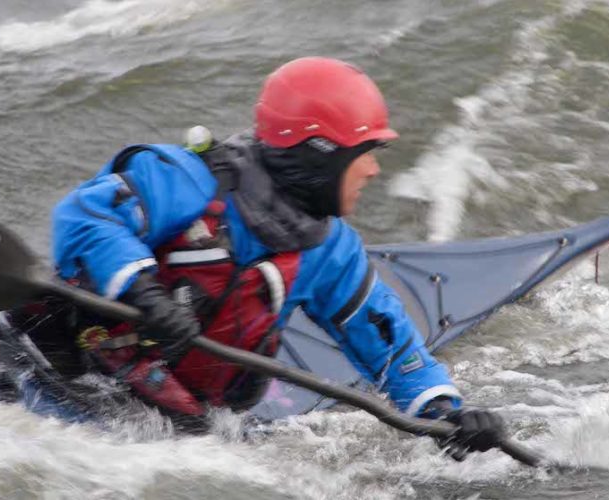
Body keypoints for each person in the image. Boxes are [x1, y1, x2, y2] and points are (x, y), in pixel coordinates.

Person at [51, 56, 505, 458]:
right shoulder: (187, 180)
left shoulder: (331, 251)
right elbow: (83, 217)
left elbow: (394, 350)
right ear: (319, 155)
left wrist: (447, 413)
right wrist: (144, 293)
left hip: (167, 433)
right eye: (365, 153)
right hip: (62, 372)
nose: (374, 169)